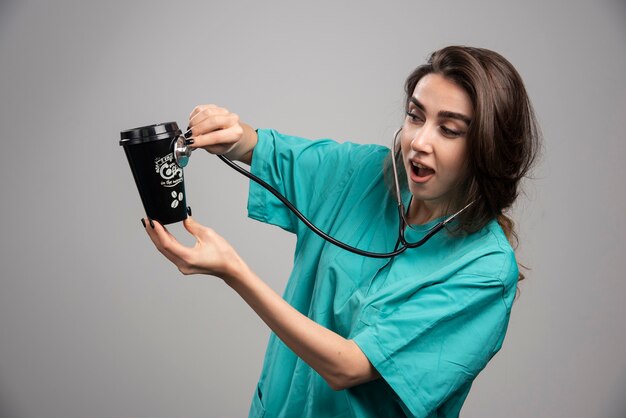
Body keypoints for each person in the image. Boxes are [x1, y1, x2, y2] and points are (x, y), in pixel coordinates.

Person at [142, 45, 540, 417]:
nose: (419, 141)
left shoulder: (485, 271)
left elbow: (348, 366)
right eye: (415, 116)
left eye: (449, 130)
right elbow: (267, 150)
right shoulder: (364, 173)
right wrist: (230, 132)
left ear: (487, 148)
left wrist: (234, 272)